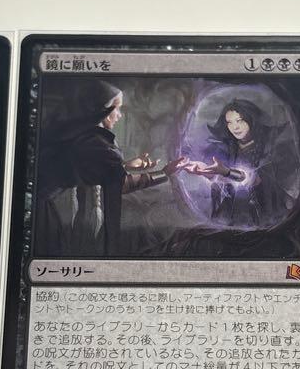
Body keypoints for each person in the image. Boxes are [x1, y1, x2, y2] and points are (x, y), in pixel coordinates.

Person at [36, 78, 188, 255]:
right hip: (56, 217)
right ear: (105, 110)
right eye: (118, 109)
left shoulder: (80, 136)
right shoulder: (97, 144)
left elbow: (92, 171)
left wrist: (126, 165)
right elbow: (119, 184)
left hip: (54, 210)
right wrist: (165, 173)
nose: (120, 115)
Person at [184, 98, 296, 228]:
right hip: (233, 212)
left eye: (239, 120)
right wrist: (204, 170)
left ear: (251, 119)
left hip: (265, 209)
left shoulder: (270, 147)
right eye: (229, 122)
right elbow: (223, 178)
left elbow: (254, 179)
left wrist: (227, 172)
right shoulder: (228, 147)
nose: (235, 127)